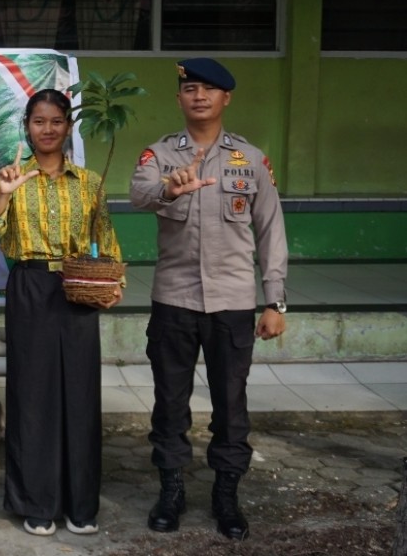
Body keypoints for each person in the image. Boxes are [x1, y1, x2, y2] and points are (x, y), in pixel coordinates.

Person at [130, 58, 287, 541]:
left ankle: (226, 495)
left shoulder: (251, 159)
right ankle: (172, 490)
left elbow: (271, 232)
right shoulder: (158, 155)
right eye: (190, 88)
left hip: (234, 302)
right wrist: (169, 189)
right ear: (178, 99)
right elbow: (138, 196)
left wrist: (274, 300)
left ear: (226, 98)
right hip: (175, 300)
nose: (199, 96)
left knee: (230, 404)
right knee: (170, 403)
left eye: (210, 89)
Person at [0, 88, 123, 537]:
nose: (48, 129)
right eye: (40, 121)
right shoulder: (13, 175)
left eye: (57, 121)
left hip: (79, 287)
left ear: (68, 126)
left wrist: (114, 284)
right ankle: (36, 501)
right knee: (33, 396)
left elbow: (106, 237)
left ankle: (80, 503)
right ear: (27, 127)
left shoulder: (90, 181)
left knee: (80, 395)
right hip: (32, 287)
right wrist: (3, 193)